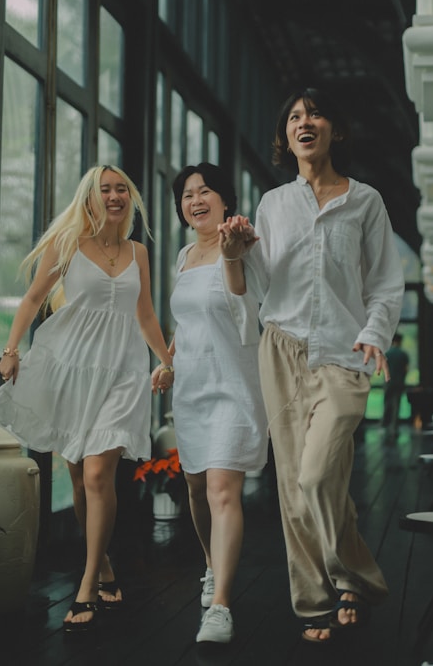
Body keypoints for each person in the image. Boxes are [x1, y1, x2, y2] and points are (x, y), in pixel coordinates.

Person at [218, 88, 404, 644]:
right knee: (296, 489)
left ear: (334, 131)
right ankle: (317, 599)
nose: (305, 122)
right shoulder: (273, 205)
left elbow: (386, 285)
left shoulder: (365, 201)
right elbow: (248, 284)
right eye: (295, 116)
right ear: (287, 136)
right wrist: (234, 249)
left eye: (316, 113)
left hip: (345, 356)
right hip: (282, 349)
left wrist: (374, 336)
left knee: (318, 473)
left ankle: (355, 574)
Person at [0, 165, 174, 633]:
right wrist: (10, 352)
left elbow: (144, 312)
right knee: (83, 480)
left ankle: (85, 585)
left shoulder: (138, 252)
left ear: (131, 198)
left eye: (121, 188)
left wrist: (167, 360)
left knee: (98, 471)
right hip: (71, 369)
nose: (114, 195)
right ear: (89, 198)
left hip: (123, 373)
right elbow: (31, 299)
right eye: (104, 189)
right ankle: (102, 562)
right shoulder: (67, 245)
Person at [151, 163, 268, 645]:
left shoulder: (243, 244)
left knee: (222, 491)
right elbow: (187, 320)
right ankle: (209, 563)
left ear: (225, 200)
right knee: (197, 491)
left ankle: (220, 604)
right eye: (187, 194)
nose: (195, 199)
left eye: (205, 191)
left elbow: (246, 313)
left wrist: (233, 257)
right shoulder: (182, 256)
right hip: (193, 388)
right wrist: (168, 360)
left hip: (235, 385)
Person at [382, 332, 409, 444]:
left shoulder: (387, 353)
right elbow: (406, 369)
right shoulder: (403, 354)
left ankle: (384, 425)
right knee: (396, 405)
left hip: (388, 382)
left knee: (387, 403)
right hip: (399, 382)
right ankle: (394, 426)